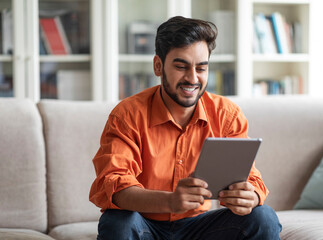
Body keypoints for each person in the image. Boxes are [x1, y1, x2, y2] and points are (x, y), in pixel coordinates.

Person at [89, 16, 281, 240]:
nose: (192, 78)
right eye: (181, 67)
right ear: (158, 66)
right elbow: (113, 185)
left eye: (201, 68)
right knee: (117, 222)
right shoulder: (127, 115)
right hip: (144, 226)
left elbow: (252, 179)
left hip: (201, 227)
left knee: (263, 217)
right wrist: (170, 201)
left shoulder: (226, 115)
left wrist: (252, 196)